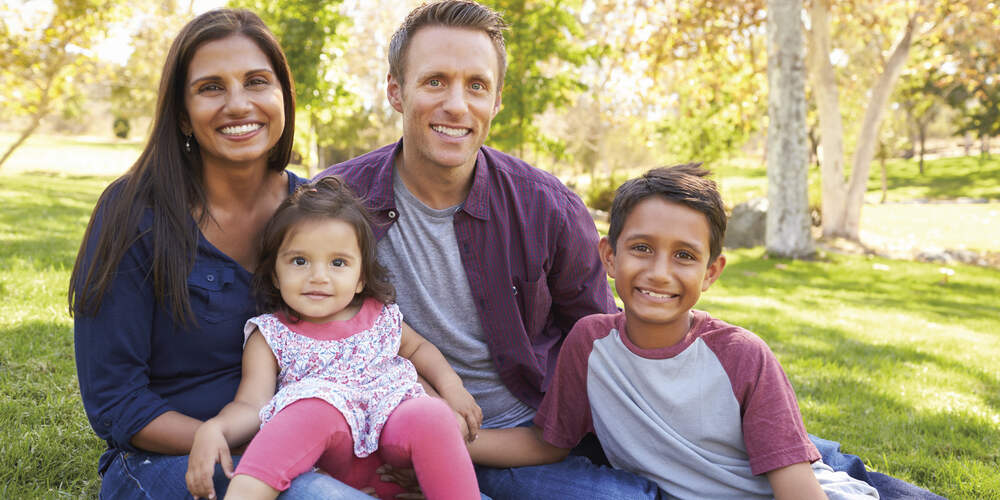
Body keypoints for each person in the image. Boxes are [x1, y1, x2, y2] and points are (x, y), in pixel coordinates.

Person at [316, 1, 660, 497]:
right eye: (435, 81)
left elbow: (597, 344)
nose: (457, 105)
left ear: (496, 100)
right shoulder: (336, 201)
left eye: (476, 85)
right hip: (388, 445)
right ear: (395, 90)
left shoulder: (547, 207)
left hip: (525, 441)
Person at [70, 9, 372, 499]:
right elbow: (117, 403)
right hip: (171, 460)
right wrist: (259, 448)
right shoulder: (132, 214)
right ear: (183, 113)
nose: (238, 104)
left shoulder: (317, 216)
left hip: (316, 447)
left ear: (282, 98)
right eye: (211, 87)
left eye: (256, 82)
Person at [466, 165, 882, 500]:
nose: (659, 273)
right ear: (609, 257)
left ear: (711, 272)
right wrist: (450, 442)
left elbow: (796, 490)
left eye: (684, 256)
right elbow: (549, 444)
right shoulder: (589, 344)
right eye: (642, 248)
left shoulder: (742, 356)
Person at [184, 177, 481, 500]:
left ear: (360, 278)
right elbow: (252, 404)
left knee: (433, 415)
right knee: (313, 408)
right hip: (331, 454)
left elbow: (419, 348)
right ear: (274, 273)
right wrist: (216, 428)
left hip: (395, 436)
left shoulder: (379, 315)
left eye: (338, 263)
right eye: (300, 261)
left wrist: (452, 388)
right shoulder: (271, 334)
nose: (318, 276)